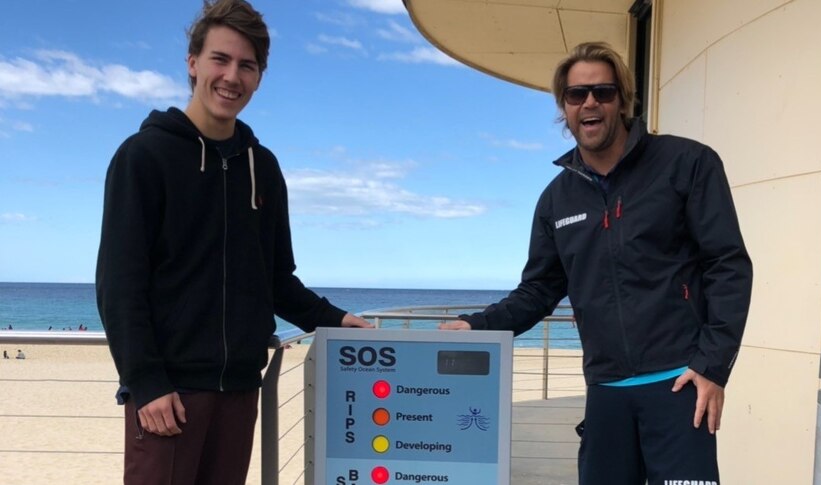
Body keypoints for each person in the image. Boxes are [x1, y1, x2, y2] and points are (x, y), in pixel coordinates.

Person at [440, 41, 752, 484]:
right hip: (605, 391)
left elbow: (728, 265)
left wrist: (712, 365)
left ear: (622, 100)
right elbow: (540, 289)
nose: (589, 102)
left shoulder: (687, 163)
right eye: (576, 95)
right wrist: (479, 325)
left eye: (603, 92)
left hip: (680, 383)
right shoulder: (556, 199)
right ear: (563, 110)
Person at [95, 1, 372, 484]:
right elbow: (119, 284)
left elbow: (275, 278)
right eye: (220, 59)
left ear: (260, 77)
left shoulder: (262, 166)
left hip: (240, 391)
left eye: (247, 65)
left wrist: (333, 319)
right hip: (168, 396)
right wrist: (146, 382)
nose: (231, 76)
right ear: (193, 63)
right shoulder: (143, 157)